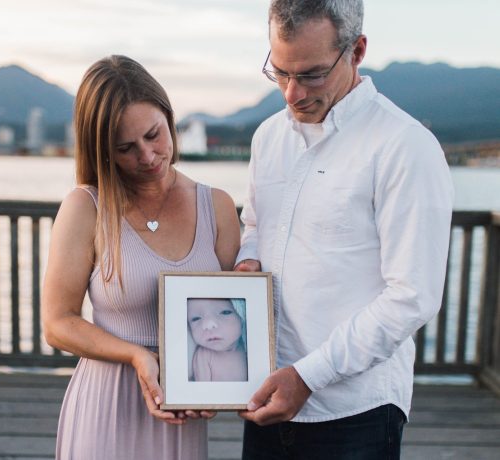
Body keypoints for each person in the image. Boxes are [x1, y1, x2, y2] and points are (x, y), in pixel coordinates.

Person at [235, 1, 454, 458]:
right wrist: (247, 257)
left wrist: (308, 376)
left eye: (312, 74)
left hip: (357, 414)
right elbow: (253, 222)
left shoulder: (405, 146)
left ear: (357, 51)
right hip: (268, 396)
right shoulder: (267, 137)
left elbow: (411, 295)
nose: (292, 93)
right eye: (279, 73)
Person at [41, 55, 241, 460]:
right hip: (106, 408)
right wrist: (137, 356)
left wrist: (219, 388)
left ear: (169, 117)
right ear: (103, 150)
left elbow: (236, 312)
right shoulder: (86, 208)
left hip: (180, 412)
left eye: (154, 135)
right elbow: (57, 324)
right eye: (126, 148)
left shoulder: (217, 206)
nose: (148, 157)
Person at [187, 298, 248, 382]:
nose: (208, 325)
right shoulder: (204, 355)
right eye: (196, 318)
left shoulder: (249, 350)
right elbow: (201, 391)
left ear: (242, 318)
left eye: (224, 312)